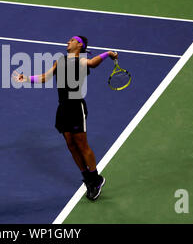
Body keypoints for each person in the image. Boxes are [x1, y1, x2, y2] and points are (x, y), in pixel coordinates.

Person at [13, 36, 118, 201]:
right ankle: (89, 180)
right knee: (71, 145)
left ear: (79, 45)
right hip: (62, 108)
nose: (68, 42)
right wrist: (26, 78)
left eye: (72, 40)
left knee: (82, 145)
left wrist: (107, 53)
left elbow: (93, 63)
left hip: (76, 107)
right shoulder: (60, 61)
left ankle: (96, 178)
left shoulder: (81, 61)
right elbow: (45, 77)